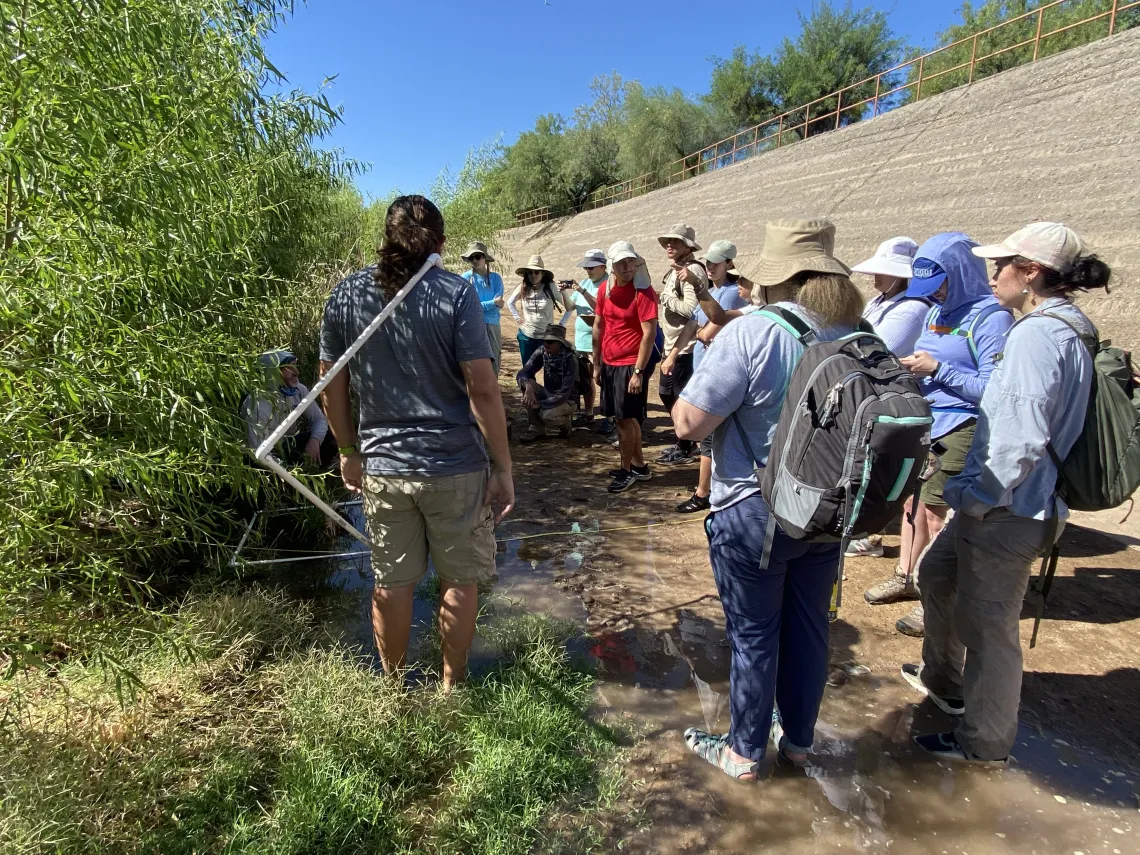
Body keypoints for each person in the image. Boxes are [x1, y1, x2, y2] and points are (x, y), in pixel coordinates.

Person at [906, 222, 1110, 764]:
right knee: (936, 575)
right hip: (1008, 501)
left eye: (1003, 265)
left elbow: (1018, 434)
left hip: (1008, 508)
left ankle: (983, 744)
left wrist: (977, 499)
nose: (993, 274)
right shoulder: (1061, 326)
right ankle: (945, 686)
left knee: (991, 631)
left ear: (1032, 272)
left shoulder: (1038, 335)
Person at [673, 219, 863, 780]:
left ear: (776, 277)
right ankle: (799, 744)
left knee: (754, 634)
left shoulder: (754, 331)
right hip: (829, 512)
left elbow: (687, 422)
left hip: (756, 509)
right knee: (809, 628)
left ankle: (743, 752)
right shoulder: (853, 333)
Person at [318, 195, 514, 690]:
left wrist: (347, 451)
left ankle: (394, 688)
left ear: (384, 239)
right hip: (455, 468)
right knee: (459, 581)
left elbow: (331, 386)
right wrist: (503, 466)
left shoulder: (345, 295)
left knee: (392, 581)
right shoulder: (456, 293)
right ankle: (452, 687)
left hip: (384, 466)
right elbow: (484, 387)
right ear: (442, 245)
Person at [865, 232, 1013, 638]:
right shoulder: (934, 310)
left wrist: (937, 370)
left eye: (940, 285)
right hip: (926, 421)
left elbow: (994, 388)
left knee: (935, 510)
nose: (934, 294)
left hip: (963, 426)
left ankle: (934, 597)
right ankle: (905, 574)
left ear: (961, 274)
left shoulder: (991, 317)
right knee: (911, 500)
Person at [845, 236, 923, 558]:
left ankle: (870, 534)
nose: (874, 277)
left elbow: (877, 346)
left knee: (879, 461)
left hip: (888, 395)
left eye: (882, 271)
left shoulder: (913, 309)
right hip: (873, 390)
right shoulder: (882, 302)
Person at [674, 240, 751, 513]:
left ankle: (703, 492)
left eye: (715, 263)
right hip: (703, 367)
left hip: (719, 374)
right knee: (710, 437)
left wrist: (698, 286)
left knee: (709, 437)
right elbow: (696, 323)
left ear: (729, 263)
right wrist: (674, 353)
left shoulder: (731, 294)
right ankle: (710, 488)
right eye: (707, 262)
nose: (709, 267)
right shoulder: (716, 291)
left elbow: (711, 326)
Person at [593, 240, 659, 493]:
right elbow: (598, 325)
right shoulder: (604, 291)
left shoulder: (643, 292)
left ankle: (626, 470)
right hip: (609, 363)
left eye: (631, 261)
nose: (627, 266)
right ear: (612, 266)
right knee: (626, 419)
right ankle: (639, 466)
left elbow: (649, 333)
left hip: (630, 365)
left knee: (624, 421)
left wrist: (638, 372)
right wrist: (596, 363)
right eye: (622, 262)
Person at [655, 223, 708, 466]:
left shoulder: (691, 271)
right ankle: (684, 441)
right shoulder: (679, 269)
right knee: (667, 392)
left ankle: (687, 444)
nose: (669, 245)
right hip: (673, 344)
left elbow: (690, 309)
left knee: (677, 394)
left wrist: (663, 298)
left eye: (675, 242)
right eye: (668, 241)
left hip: (683, 347)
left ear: (686, 246)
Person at [242, 349, 337, 467]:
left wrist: (315, 440)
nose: (296, 372)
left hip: (287, 444)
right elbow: (258, 452)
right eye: (288, 368)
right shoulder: (256, 405)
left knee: (333, 431)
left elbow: (319, 419)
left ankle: (317, 471)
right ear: (271, 373)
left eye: (294, 366)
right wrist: (287, 471)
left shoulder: (299, 390)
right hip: (262, 458)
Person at [561, 248, 608, 429]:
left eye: (592, 267)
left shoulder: (608, 283)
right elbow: (571, 306)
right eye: (586, 267)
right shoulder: (585, 282)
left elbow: (600, 308)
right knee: (587, 379)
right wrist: (564, 292)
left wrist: (581, 291)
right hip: (582, 340)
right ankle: (588, 413)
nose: (588, 271)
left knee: (603, 378)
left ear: (603, 266)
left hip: (601, 341)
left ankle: (609, 417)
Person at [516, 323, 578, 443]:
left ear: (560, 343)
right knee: (526, 383)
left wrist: (540, 404)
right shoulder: (542, 352)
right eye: (544, 341)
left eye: (550, 342)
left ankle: (565, 423)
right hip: (549, 393)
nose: (546, 344)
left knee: (546, 415)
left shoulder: (571, 360)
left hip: (567, 400)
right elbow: (523, 372)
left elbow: (564, 394)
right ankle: (536, 427)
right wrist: (528, 386)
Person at [507, 255, 568, 367]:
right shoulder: (523, 286)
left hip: (546, 338)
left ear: (542, 274)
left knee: (549, 370)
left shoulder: (551, 287)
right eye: (530, 272)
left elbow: (569, 307)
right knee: (527, 370)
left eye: (536, 272)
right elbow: (510, 302)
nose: (533, 275)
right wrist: (517, 317)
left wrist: (561, 324)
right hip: (526, 336)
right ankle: (527, 385)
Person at [460, 241, 505, 375]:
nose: (475, 260)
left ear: (485, 258)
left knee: (494, 360)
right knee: (473, 361)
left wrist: (479, 305)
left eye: (478, 256)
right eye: (471, 257)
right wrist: (491, 303)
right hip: (472, 324)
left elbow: (500, 304)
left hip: (492, 324)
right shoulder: (465, 278)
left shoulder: (496, 278)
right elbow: (468, 307)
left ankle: (493, 392)